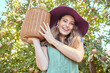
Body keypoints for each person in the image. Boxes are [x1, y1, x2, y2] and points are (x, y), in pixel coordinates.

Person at [28, 6, 89, 73]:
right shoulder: (45, 42)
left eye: (71, 23)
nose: (67, 25)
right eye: (65, 21)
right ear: (58, 22)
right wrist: (35, 41)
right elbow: (43, 67)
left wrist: (53, 41)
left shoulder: (77, 40)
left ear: (73, 27)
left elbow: (78, 57)